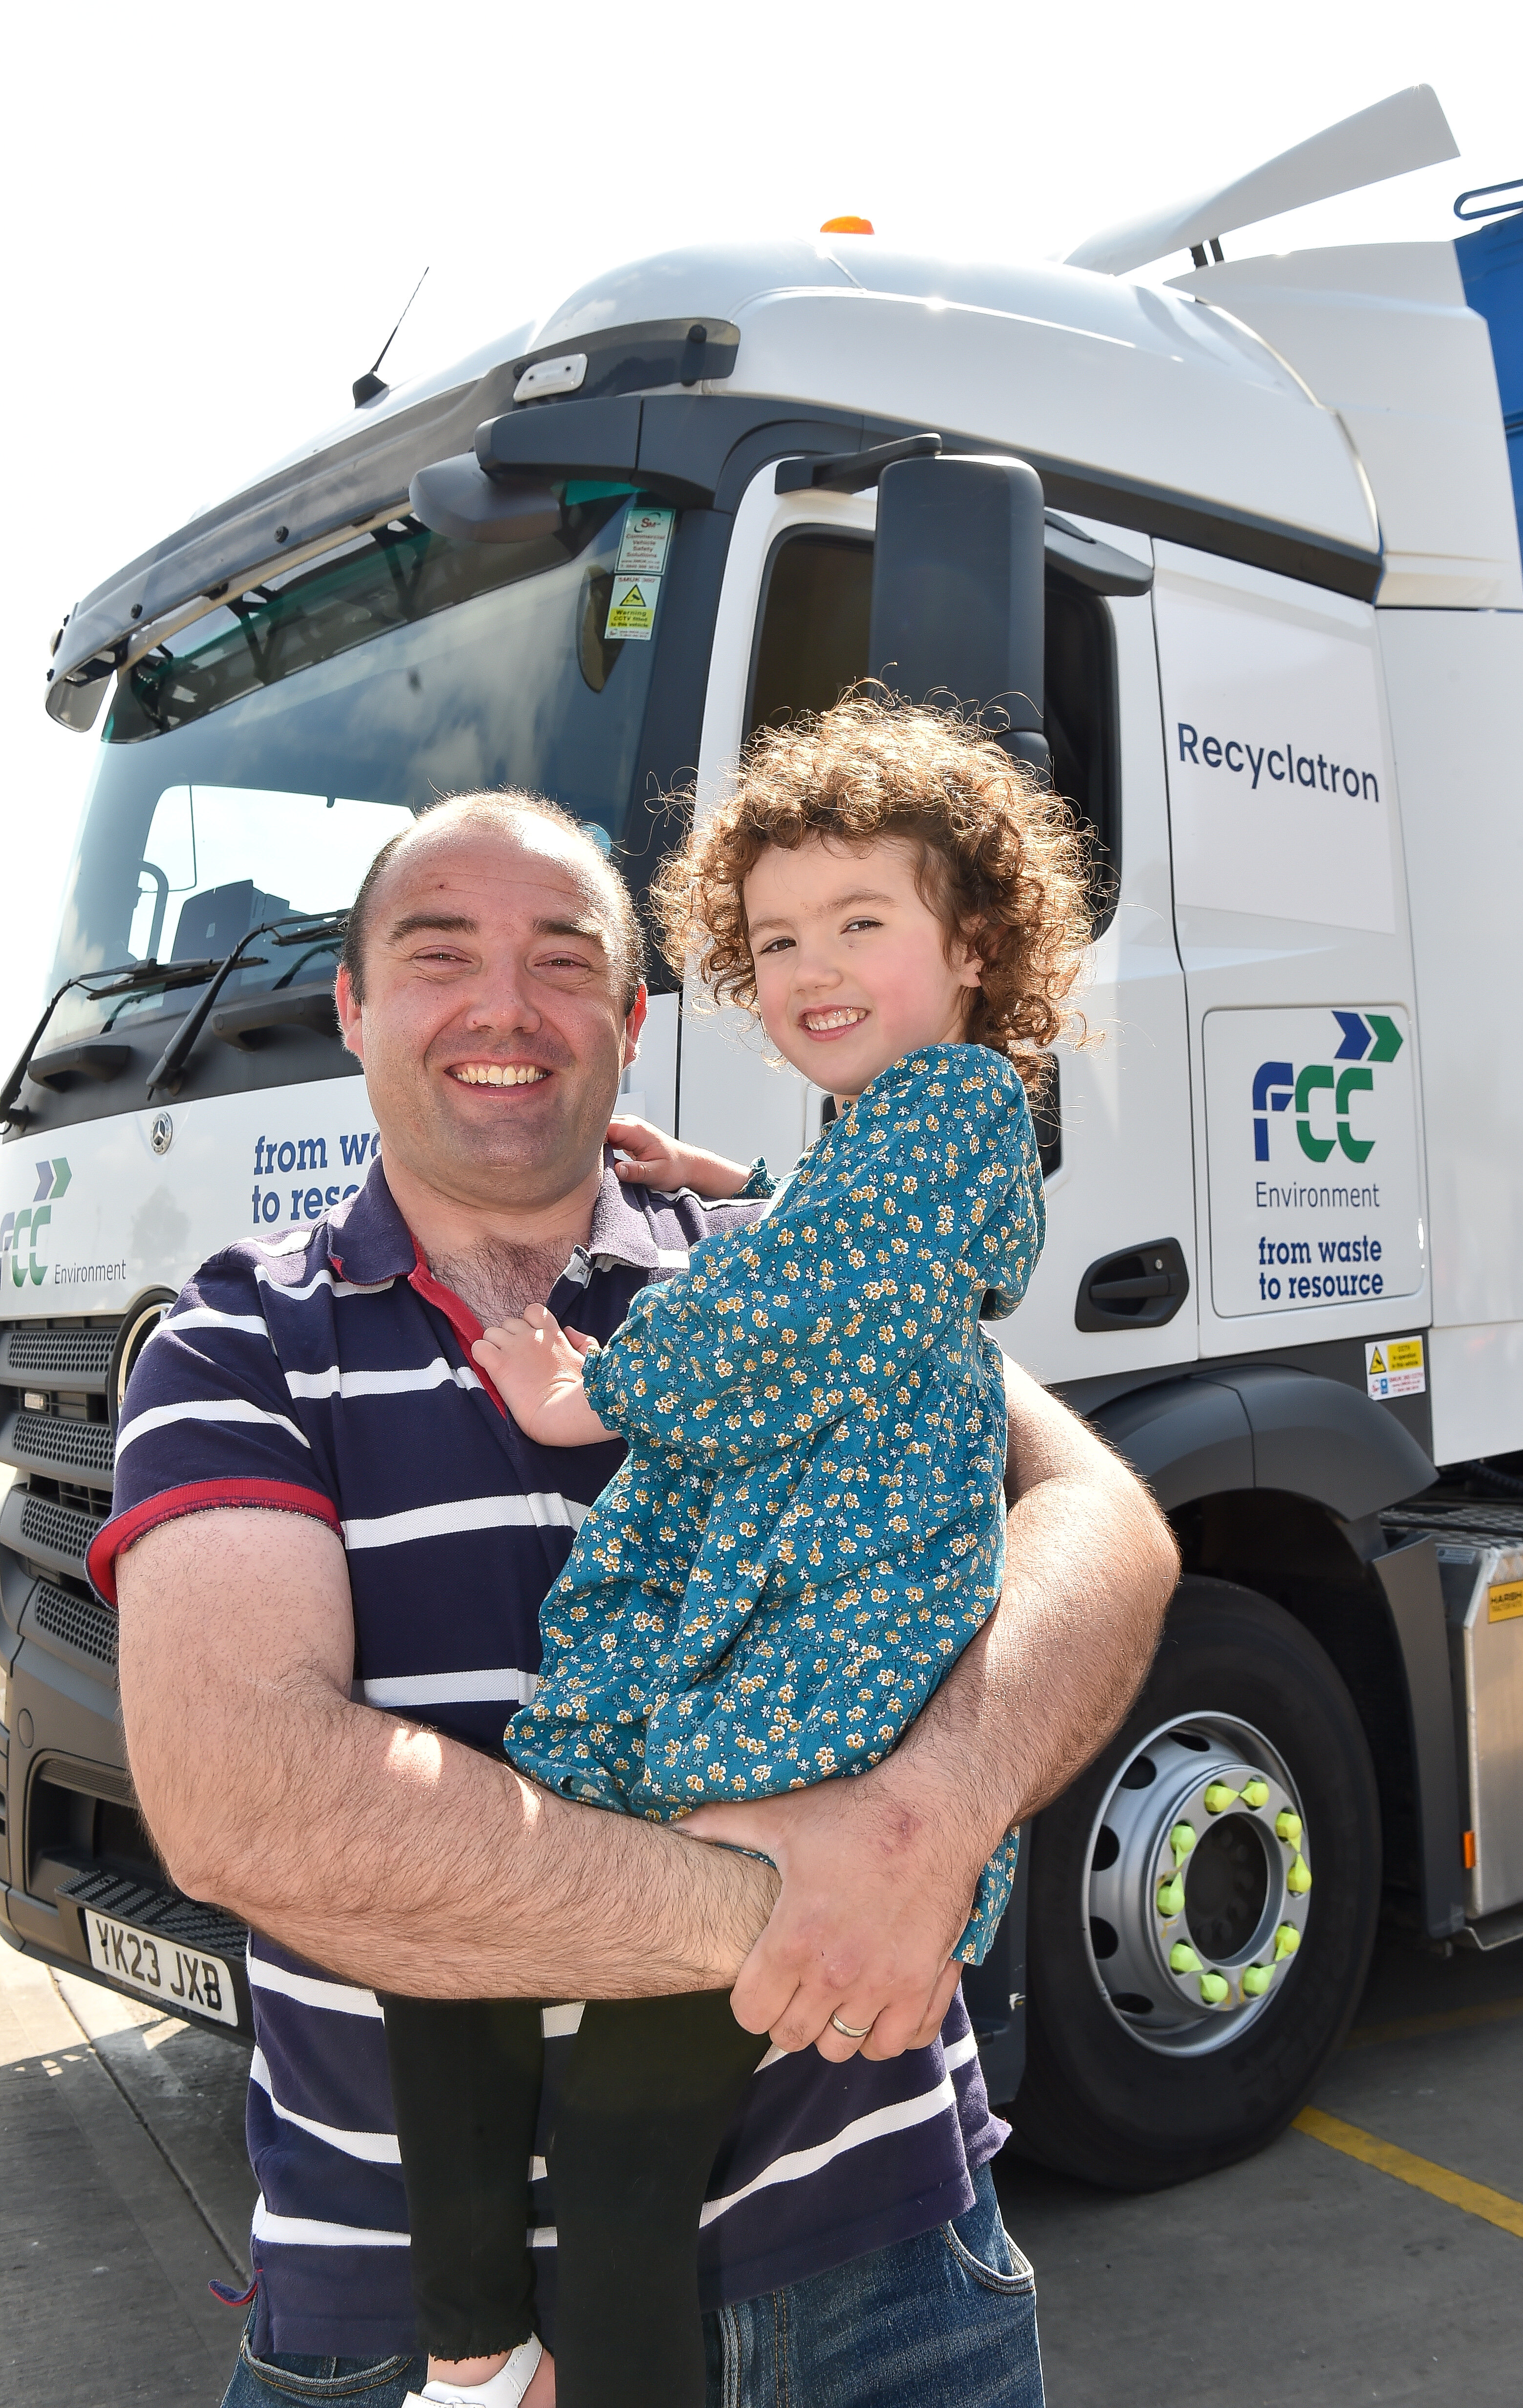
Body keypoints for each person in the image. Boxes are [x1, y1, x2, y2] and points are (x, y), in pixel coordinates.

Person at [104, 778, 1178, 2408]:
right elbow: (245, 1811)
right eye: (438, 951)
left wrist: (924, 1813)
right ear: (354, 1005)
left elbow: (1105, 1521)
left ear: (631, 1010)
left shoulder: (763, 1256)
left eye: (560, 959)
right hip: (386, 2321)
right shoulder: (239, 1342)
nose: (501, 1006)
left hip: (899, 2277)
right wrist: (809, 1912)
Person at [383, 699, 1087, 2408]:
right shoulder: (893, 1133)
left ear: (978, 944)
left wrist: (589, 1394)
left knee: (625, 2157)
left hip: (803, 1699)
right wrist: (742, 1183)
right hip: (754, 1662)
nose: (809, 967)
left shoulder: (962, 1112)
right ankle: (480, 2357)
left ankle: (499, 2361)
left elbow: (832, 1293)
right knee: (449, 1953)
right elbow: (842, 1244)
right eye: (775, 939)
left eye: (864, 922)